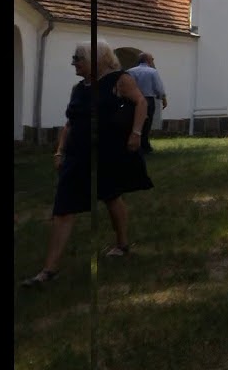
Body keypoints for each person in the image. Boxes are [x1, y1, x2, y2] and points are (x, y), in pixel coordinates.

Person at [21, 39, 154, 287]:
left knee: (111, 196)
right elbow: (70, 123)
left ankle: (122, 244)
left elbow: (142, 102)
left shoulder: (119, 80)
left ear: (96, 59)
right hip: (77, 154)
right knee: (63, 208)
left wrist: (136, 133)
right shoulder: (78, 89)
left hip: (106, 152)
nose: (74, 63)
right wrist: (60, 151)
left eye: (78, 58)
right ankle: (48, 271)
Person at [127, 51, 167, 153]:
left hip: (133, 100)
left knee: (134, 122)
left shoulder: (130, 71)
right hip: (148, 99)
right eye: (152, 59)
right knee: (146, 124)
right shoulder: (152, 72)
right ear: (147, 60)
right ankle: (144, 145)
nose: (153, 61)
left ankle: (133, 143)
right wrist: (163, 98)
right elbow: (158, 87)